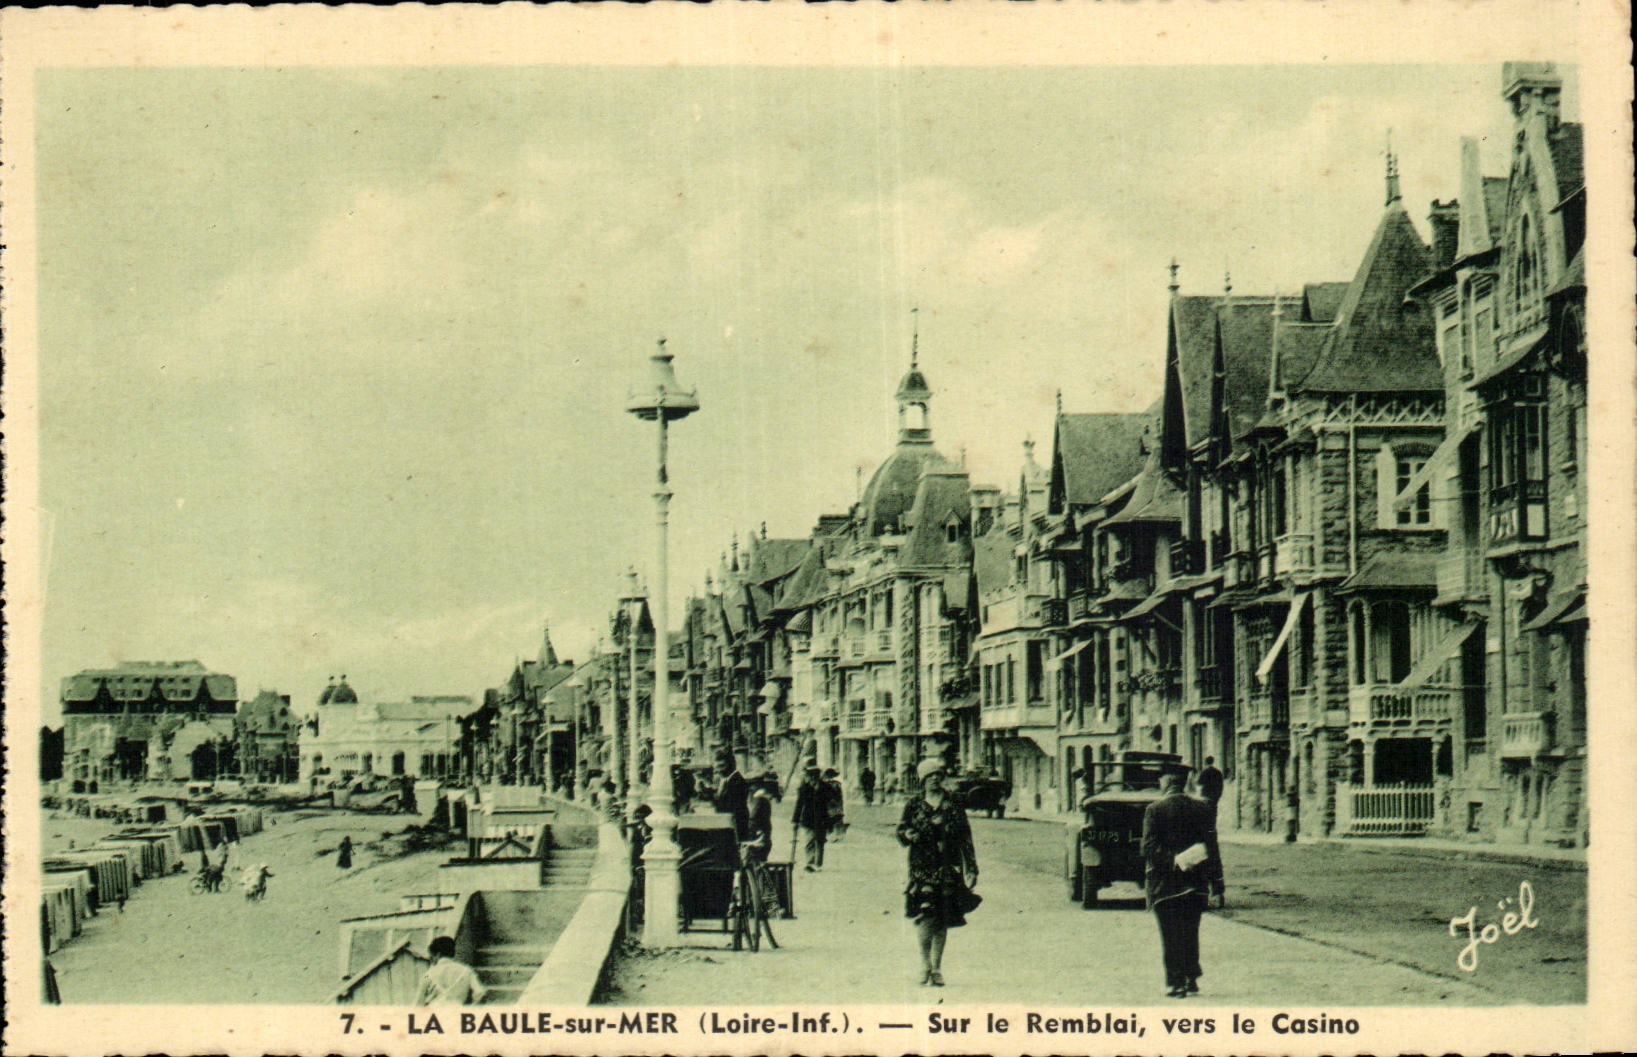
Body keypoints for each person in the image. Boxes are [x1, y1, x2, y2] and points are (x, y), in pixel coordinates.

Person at [896, 758, 978, 987]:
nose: (934, 779)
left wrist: (971, 868)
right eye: (930, 776)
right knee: (925, 915)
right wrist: (908, 835)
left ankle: (937, 967)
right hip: (921, 867)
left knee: (941, 918)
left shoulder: (952, 804)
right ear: (922, 780)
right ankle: (925, 964)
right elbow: (901, 831)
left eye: (937, 775)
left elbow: (965, 837)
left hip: (947, 866)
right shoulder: (913, 805)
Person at [1141, 767, 1222, 998]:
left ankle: (1175, 982)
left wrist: (1173, 859)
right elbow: (1212, 848)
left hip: (1165, 884)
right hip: (1195, 883)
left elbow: (1147, 847)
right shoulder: (1202, 809)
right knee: (1190, 930)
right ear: (1184, 784)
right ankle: (1191, 977)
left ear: (1165, 784)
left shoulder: (1154, 810)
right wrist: (1217, 884)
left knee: (1170, 934)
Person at [416, 935, 487, 1006]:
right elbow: (480, 993)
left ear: (438, 954)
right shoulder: (467, 971)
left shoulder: (428, 974)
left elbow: (418, 1003)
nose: (432, 960)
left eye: (432, 957)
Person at [792, 764, 830, 871]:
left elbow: (830, 801)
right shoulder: (804, 788)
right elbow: (799, 804)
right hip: (808, 819)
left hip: (821, 819)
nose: (811, 778)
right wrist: (795, 820)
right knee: (809, 841)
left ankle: (818, 864)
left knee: (820, 841)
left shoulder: (825, 787)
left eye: (814, 775)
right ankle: (810, 863)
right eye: (809, 776)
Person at [713, 751, 750, 842]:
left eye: (721, 766)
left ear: (731, 765)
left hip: (737, 827)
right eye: (717, 767)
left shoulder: (738, 781)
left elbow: (728, 806)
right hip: (731, 825)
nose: (718, 770)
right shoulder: (728, 780)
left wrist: (715, 799)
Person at [823, 768, 847, 842]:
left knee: (830, 820)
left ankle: (831, 835)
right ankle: (837, 835)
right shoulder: (837, 784)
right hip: (835, 805)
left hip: (830, 805)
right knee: (836, 819)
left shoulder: (825, 784)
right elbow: (840, 796)